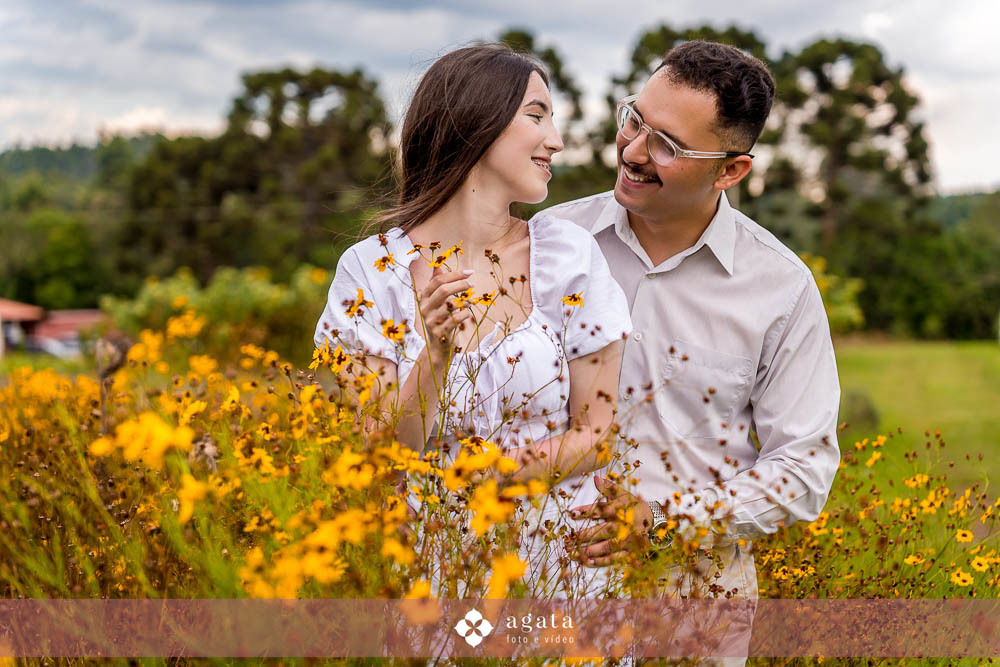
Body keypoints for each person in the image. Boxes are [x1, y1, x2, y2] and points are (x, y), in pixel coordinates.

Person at [535, 38, 841, 656]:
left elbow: (804, 469)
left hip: (694, 606)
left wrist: (666, 521)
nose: (634, 151)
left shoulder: (781, 288)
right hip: (539, 586)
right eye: (634, 120)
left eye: (667, 145)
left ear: (730, 170)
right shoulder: (547, 242)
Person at [312, 44, 632, 598]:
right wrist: (435, 353)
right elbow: (376, 458)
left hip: (557, 571)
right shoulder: (370, 274)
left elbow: (594, 435)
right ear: (474, 124)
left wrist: (481, 478)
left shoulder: (569, 257)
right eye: (537, 115)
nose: (555, 139)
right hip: (424, 575)